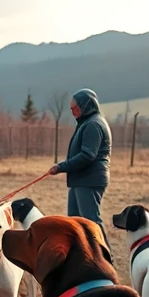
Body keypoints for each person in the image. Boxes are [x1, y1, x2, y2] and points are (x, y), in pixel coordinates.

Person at [47, 88, 112, 242]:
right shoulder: (86, 123)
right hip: (80, 180)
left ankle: (106, 258)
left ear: (86, 106)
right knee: (74, 222)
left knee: (91, 222)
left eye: (75, 108)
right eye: (71, 109)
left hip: (89, 180)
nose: (72, 111)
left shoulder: (93, 125)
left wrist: (61, 166)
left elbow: (87, 155)